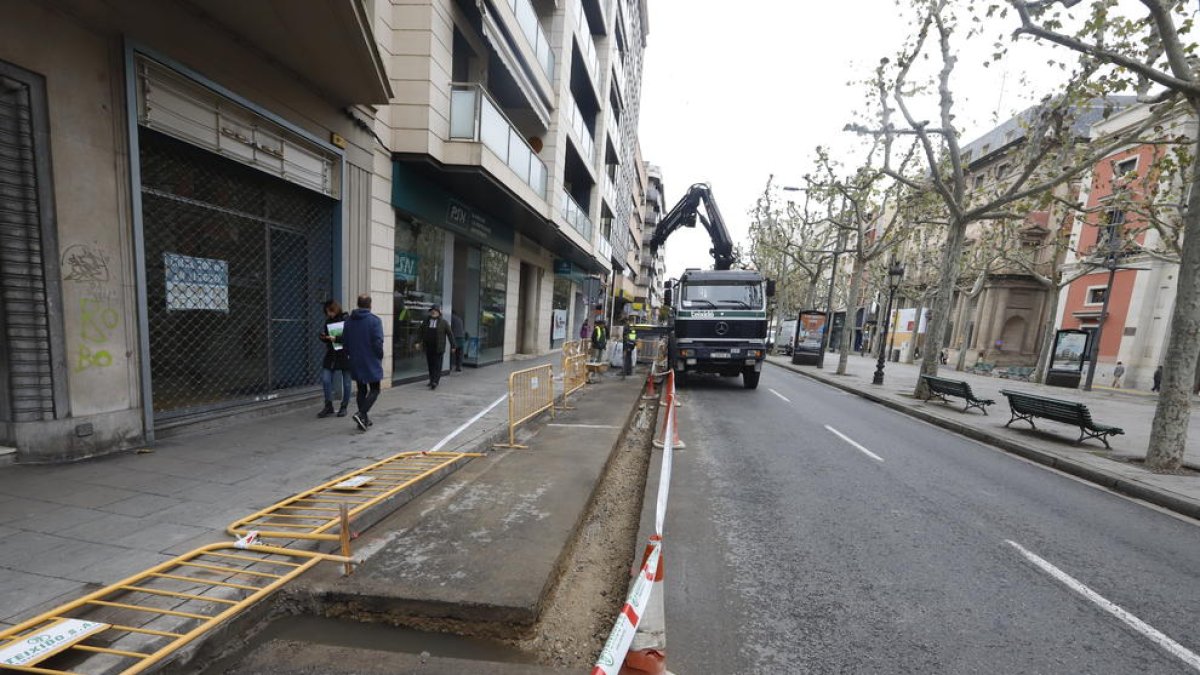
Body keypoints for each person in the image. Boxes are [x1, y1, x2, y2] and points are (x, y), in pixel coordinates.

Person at [342, 293, 384, 431]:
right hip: (370, 360)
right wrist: (379, 356)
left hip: (355, 360)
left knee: (361, 389)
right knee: (375, 389)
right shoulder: (374, 321)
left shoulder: (349, 321)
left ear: (358, 304)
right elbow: (377, 342)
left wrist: (350, 355)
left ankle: (363, 419)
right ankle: (361, 414)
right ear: (370, 305)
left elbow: (345, 342)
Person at [317, 300, 351, 418]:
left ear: (335, 309)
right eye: (327, 312)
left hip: (345, 354)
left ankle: (344, 406)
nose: (329, 314)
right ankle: (328, 406)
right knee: (326, 379)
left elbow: (350, 338)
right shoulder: (328, 321)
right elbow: (328, 339)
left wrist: (336, 339)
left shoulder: (346, 319)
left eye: (330, 311)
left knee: (347, 382)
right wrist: (324, 337)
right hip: (332, 354)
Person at [420, 305, 453, 390]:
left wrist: (453, 345)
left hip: (439, 347)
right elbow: (420, 332)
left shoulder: (444, 322)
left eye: (435, 311)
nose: (433, 312)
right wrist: (417, 342)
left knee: (437, 365)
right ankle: (431, 380)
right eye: (432, 311)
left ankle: (435, 381)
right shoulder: (426, 322)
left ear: (439, 312)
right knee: (430, 365)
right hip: (429, 347)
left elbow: (450, 334)